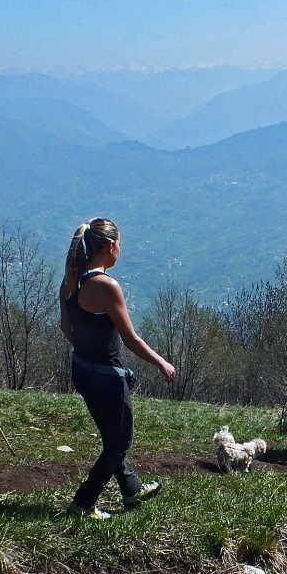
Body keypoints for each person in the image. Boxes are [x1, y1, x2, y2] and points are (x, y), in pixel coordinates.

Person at [59, 218, 175, 519]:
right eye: (119, 244)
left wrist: (85, 350)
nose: (120, 249)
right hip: (107, 378)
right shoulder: (106, 286)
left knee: (112, 438)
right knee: (119, 443)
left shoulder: (71, 280)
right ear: (110, 246)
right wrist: (161, 362)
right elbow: (130, 338)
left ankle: (131, 488)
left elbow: (65, 325)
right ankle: (83, 503)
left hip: (81, 371)